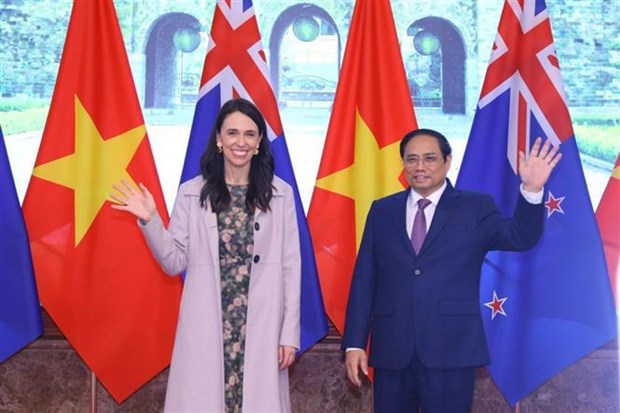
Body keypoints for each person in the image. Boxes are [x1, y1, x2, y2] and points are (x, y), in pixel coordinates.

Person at [342, 128, 562, 413]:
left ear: (447, 161)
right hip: (392, 350)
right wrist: (354, 343)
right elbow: (364, 278)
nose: (420, 166)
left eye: (430, 158)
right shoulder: (383, 210)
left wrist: (531, 190)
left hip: (452, 348)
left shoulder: (475, 207)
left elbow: (521, 236)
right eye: (411, 159)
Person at [110, 98, 301, 412]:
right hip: (206, 324)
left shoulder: (281, 195)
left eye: (250, 134)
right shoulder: (191, 192)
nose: (241, 142)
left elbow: (291, 267)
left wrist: (289, 333)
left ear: (259, 143)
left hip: (262, 326)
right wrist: (149, 219)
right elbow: (174, 262)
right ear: (218, 139)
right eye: (232, 133)